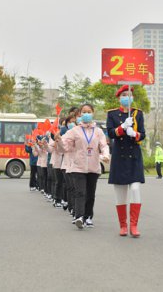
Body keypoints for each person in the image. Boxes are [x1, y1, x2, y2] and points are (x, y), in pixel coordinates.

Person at [56, 103, 110, 230]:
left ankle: (88, 217)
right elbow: (64, 147)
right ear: (80, 115)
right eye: (83, 112)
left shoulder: (98, 131)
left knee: (90, 194)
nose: (86, 114)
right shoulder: (74, 131)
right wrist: (58, 140)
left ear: (93, 113)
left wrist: (106, 155)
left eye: (89, 111)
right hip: (78, 167)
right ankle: (79, 216)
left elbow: (103, 146)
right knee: (80, 192)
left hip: (93, 167)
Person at [106, 85, 146, 237]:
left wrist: (134, 133)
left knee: (135, 189)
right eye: (124, 94)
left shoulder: (138, 114)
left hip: (134, 156)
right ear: (119, 97)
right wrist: (122, 128)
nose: (127, 97)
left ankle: (134, 226)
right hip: (119, 157)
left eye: (129, 94)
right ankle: (123, 225)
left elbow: (143, 134)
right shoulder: (112, 114)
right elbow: (110, 133)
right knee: (120, 193)